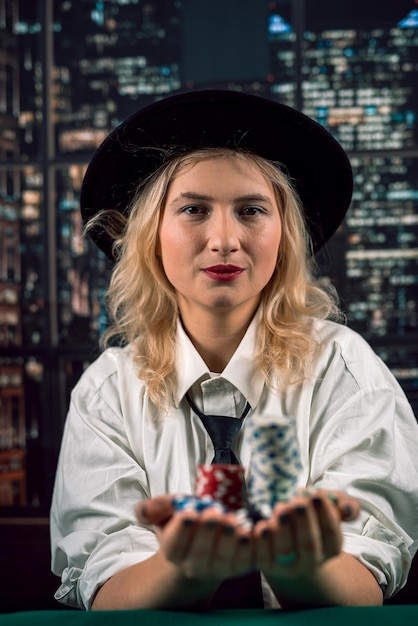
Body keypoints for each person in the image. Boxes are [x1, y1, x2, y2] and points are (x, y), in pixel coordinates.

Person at [50, 90, 418, 611]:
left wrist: (300, 562)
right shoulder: (107, 393)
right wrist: (183, 567)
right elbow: (108, 591)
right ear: (151, 235)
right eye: (194, 210)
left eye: (250, 210)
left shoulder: (346, 370)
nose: (224, 239)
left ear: (284, 236)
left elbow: (365, 584)